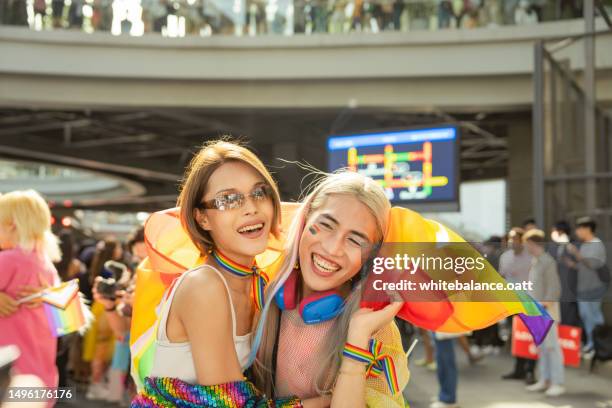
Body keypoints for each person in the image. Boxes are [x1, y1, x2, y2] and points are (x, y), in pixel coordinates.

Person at [132, 141, 324, 407]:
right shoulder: (204, 285)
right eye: (228, 199)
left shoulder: (259, 283)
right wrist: (330, 400)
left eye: (259, 192)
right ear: (202, 219)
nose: (251, 208)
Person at [252, 171, 408, 407]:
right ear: (304, 222)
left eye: (356, 240)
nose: (333, 249)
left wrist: (357, 340)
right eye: (326, 225)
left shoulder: (376, 328)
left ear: (371, 257)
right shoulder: (262, 294)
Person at [0, 190, 62, 396]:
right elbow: (65, 321)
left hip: (9, 374)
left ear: (11, 225)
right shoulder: (47, 266)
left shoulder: (9, 260)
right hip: (41, 376)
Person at [523, 229, 565, 397]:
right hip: (536, 312)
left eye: (527, 244)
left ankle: (558, 382)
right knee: (542, 348)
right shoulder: (534, 261)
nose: (526, 247)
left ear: (534, 244)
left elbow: (554, 289)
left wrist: (543, 306)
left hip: (547, 312)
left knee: (552, 348)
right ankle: (545, 380)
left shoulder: (548, 262)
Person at [565, 216, 607, 358]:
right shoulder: (585, 245)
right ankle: (591, 343)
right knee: (585, 316)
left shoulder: (597, 244)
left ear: (587, 229)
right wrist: (573, 265)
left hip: (594, 288)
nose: (577, 232)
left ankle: (599, 345)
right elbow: (583, 266)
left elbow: (593, 264)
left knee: (594, 317)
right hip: (583, 288)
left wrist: (576, 254)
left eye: (579, 229)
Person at [500, 227, 536, 384]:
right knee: (516, 337)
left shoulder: (531, 257)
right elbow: (502, 277)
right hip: (512, 302)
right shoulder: (505, 257)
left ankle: (530, 371)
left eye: (515, 238)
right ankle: (518, 369)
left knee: (530, 337)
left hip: (528, 302)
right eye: (510, 239)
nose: (512, 241)